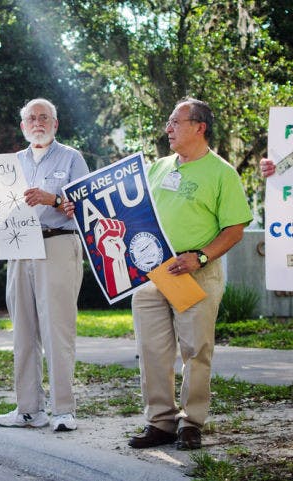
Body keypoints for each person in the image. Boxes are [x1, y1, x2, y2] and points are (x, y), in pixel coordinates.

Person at [0, 98, 89, 431]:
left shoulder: (72, 158)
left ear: (55, 124)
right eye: (31, 118)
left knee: (57, 330)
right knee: (23, 333)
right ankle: (29, 409)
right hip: (19, 248)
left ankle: (63, 410)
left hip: (57, 242)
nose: (38, 122)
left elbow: (88, 206)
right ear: (23, 126)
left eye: (45, 117)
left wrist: (53, 199)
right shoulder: (11, 164)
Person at [126, 98, 251, 450]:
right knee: (150, 350)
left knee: (196, 351)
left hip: (196, 273)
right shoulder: (158, 168)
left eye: (175, 122)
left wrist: (200, 256)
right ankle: (159, 422)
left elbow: (234, 229)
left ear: (199, 127)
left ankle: (191, 422)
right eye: (168, 122)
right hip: (152, 276)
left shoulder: (222, 172)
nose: (168, 128)